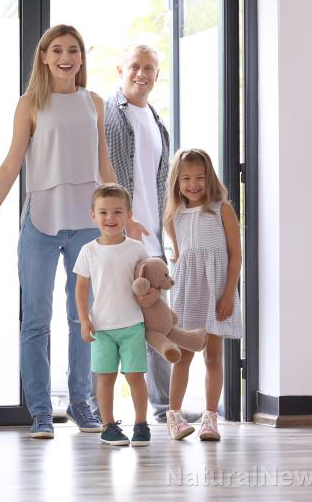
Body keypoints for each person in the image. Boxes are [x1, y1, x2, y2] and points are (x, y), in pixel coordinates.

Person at [0, 24, 142, 439]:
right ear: (43, 56)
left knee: (83, 319)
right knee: (36, 320)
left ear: (81, 57)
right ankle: (40, 412)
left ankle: (81, 404)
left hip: (87, 227)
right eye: (56, 50)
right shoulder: (30, 104)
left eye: (73, 50)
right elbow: (11, 165)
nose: (65, 57)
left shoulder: (94, 103)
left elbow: (104, 165)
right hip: (40, 223)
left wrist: (124, 214)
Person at [104, 44, 200, 424]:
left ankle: (164, 407)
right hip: (120, 238)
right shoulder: (109, 115)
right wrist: (122, 221)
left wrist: (169, 234)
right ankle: (97, 407)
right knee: (112, 321)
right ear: (120, 69)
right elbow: (104, 176)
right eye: (134, 66)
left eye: (148, 68)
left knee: (156, 319)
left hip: (151, 240)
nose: (141, 74)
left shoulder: (157, 122)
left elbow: (162, 188)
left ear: (157, 75)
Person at [163, 148, 243, 442]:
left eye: (199, 177)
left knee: (213, 355)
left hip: (216, 291)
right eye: (186, 178)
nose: (193, 184)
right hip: (187, 293)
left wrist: (227, 294)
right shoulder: (174, 217)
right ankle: (174, 416)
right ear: (177, 182)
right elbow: (180, 256)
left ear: (210, 178)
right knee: (183, 355)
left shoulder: (223, 209)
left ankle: (210, 418)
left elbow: (235, 255)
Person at [74, 183, 151, 447]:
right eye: (104, 212)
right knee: (105, 378)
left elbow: (149, 282)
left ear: (129, 214)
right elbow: (81, 288)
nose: (111, 218)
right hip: (102, 327)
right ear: (93, 216)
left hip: (133, 325)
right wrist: (84, 320)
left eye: (118, 212)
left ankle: (141, 425)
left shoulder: (137, 249)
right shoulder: (88, 250)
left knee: (135, 377)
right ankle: (108, 426)